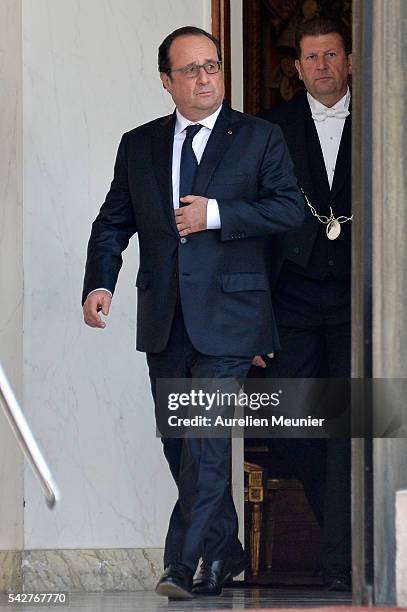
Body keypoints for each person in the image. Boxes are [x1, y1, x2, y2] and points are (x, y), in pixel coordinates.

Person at [82, 26, 304, 599]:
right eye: (191, 70)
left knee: (204, 436)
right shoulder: (139, 144)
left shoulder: (259, 137)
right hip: (165, 317)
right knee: (180, 442)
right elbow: (113, 221)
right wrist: (99, 283)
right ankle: (226, 554)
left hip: (231, 317)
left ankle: (181, 565)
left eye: (213, 66)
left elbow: (287, 211)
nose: (205, 78)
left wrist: (219, 214)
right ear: (166, 81)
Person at [258, 17, 352, 591]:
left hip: (358, 303)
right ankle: (350, 537)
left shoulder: (384, 118)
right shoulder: (271, 129)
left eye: (330, 55)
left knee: (352, 426)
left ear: (350, 60)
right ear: (296, 68)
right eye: (310, 58)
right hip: (291, 297)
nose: (320, 66)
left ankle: (341, 559)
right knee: (294, 427)